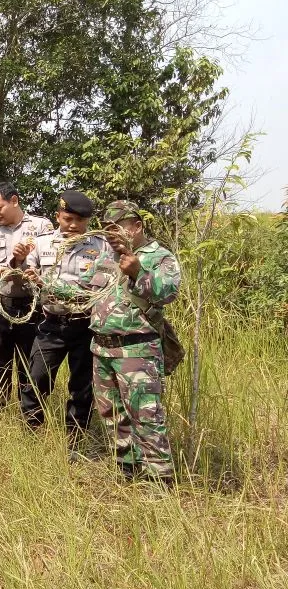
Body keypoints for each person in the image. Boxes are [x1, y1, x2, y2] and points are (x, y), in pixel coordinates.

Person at [88, 201, 181, 482]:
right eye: (106, 229)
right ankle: (127, 471)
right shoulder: (105, 258)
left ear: (137, 226)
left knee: (146, 416)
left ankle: (159, 482)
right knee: (112, 415)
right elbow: (86, 292)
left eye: (117, 228)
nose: (110, 234)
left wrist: (138, 272)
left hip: (137, 351)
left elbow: (168, 293)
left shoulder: (159, 256)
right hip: (102, 349)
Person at [19, 191, 112, 440]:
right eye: (68, 219)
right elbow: (27, 273)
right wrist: (29, 274)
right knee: (37, 378)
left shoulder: (101, 246)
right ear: (58, 216)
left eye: (80, 220)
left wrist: (48, 284)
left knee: (82, 386)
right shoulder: (41, 244)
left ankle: (75, 437)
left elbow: (98, 287)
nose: (73, 225)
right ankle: (32, 432)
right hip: (51, 324)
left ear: (88, 221)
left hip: (85, 325)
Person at [0, 181, 54, 400]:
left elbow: (51, 265)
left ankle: (30, 410)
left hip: (31, 305)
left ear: (14, 200)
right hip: (0, 302)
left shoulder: (41, 226)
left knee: (30, 360)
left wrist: (22, 264)